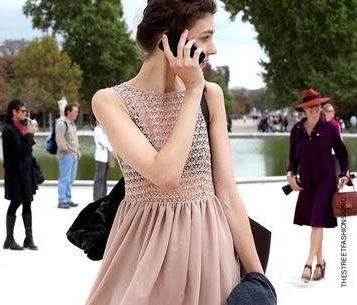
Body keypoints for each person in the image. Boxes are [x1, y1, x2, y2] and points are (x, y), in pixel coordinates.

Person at [86, 1, 264, 304]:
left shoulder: (212, 95)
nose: (215, 48)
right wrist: (192, 91)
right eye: (205, 37)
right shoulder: (110, 101)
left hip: (209, 248)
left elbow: (229, 196)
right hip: (142, 250)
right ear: (168, 40)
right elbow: (165, 174)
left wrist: (260, 280)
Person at [287, 89, 350, 282]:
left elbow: (342, 154)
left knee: (316, 221)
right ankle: (321, 263)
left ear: (321, 106)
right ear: (304, 109)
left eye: (317, 105)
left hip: (326, 180)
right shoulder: (297, 130)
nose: (315, 109)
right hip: (307, 181)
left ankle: (308, 263)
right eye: (311, 106)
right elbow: (292, 157)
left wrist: (344, 173)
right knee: (317, 222)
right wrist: (291, 175)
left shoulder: (330, 128)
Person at [2, 99, 39, 250]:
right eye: (22, 111)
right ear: (14, 112)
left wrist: (30, 134)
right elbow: (19, 150)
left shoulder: (20, 127)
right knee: (15, 203)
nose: (25, 113)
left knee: (27, 203)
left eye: (25, 111)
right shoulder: (8, 129)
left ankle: (28, 239)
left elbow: (26, 149)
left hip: (25, 173)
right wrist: (30, 134)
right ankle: (9, 239)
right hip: (16, 174)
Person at [56, 103, 81, 209]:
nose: (77, 113)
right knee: (64, 178)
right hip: (66, 155)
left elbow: (74, 139)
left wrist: (78, 150)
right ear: (68, 112)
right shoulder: (61, 123)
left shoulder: (71, 124)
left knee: (70, 179)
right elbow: (59, 139)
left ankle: (68, 198)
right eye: (75, 111)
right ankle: (62, 200)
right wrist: (65, 150)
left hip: (73, 154)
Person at [93, 120, 113, 201]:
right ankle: (97, 197)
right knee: (99, 177)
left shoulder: (104, 129)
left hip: (106, 156)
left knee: (104, 177)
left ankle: (103, 195)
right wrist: (110, 146)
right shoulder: (97, 129)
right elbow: (103, 142)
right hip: (101, 157)